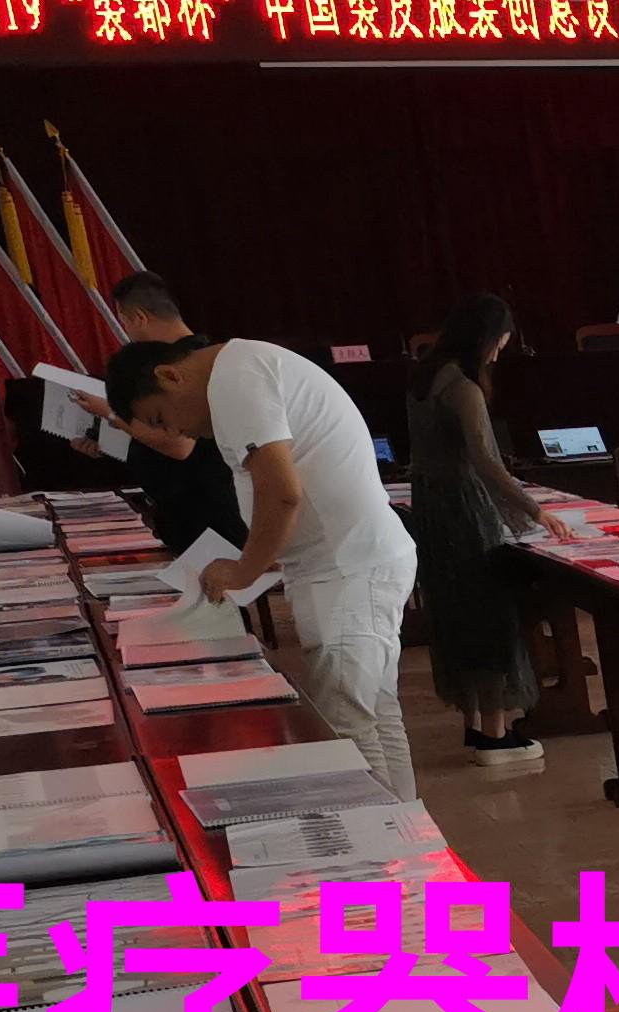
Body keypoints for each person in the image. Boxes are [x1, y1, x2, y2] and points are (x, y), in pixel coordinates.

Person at [106, 330, 424, 798]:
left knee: (348, 726)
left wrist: (243, 570)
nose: (175, 431)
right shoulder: (242, 369)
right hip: (350, 562)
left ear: (170, 375)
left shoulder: (234, 379)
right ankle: (408, 830)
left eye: (161, 417)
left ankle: (385, 840)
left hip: (346, 569)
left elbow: (281, 491)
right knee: (373, 712)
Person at [405, 292, 551, 770]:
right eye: (500, 343)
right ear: (486, 338)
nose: (499, 353)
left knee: (455, 613)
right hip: (465, 513)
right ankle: (495, 736)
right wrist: (534, 510)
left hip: (432, 511)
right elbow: (485, 462)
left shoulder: (424, 379)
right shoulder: (463, 388)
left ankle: (474, 723)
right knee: (489, 614)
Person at [81, 274, 245, 557]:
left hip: (207, 511)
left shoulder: (192, 362)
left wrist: (111, 414)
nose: (127, 333)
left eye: (124, 322)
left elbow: (180, 445)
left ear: (139, 318)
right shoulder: (171, 360)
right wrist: (106, 439)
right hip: (178, 510)